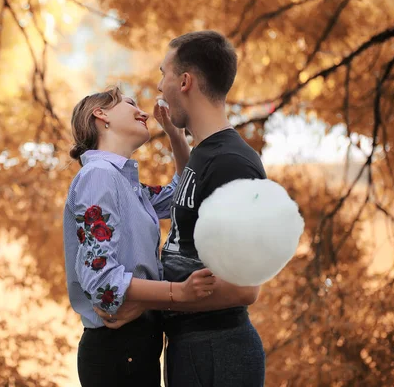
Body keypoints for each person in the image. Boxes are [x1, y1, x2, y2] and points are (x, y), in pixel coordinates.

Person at [96, 31, 267, 387]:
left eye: (164, 74)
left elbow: (244, 289)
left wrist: (150, 302)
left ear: (185, 81)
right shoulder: (204, 155)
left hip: (219, 353)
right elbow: (189, 200)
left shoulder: (234, 163)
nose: (160, 87)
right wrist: (177, 139)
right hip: (190, 348)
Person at [63, 87, 217, 387]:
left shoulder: (125, 184)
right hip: (117, 350)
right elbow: (101, 281)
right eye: (131, 104)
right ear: (101, 114)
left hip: (135, 344)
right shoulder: (99, 176)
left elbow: (182, 195)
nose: (144, 112)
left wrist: (174, 134)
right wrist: (177, 292)